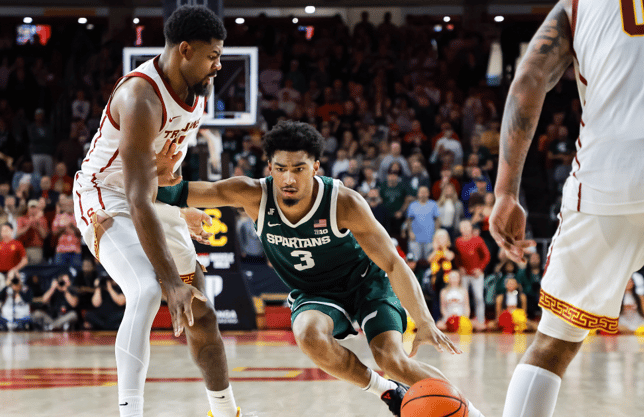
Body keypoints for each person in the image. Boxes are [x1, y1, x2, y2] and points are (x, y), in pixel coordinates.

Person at [155, 121, 485, 417]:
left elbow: (393, 263)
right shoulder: (252, 194)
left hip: (365, 284)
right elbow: (176, 193)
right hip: (315, 292)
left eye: (298, 169)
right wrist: (157, 178)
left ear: (315, 167)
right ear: (269, 167)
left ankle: (471, 412)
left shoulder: (344, 202)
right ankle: (385, 391)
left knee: (392, 359)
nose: (288, 178)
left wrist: (425, 321)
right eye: (280, 168)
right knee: (308, 334)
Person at [490, 2, 644, 416]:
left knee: (552, 346)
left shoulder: (575, 5)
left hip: (603, 184)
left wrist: (506, 192)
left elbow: (528, 78)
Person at [72, 6, 244, 417]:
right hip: (105, 198)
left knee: (199, 309)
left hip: (147, 200)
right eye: (212, 56)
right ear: (185, 50)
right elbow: (133, 195)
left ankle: (226, 411)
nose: (218, 66)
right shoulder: (140, 98)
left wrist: (178, 208)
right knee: (149, 291)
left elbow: (165, 172)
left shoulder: (196, 92)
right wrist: (170, 281)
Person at [455, 220, 490, 330]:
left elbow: (486, 255)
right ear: (460, 229)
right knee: (464, 297)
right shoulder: (458, 241)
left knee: (478, 297)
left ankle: (480, 320)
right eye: (463, 227)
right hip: (464, 274)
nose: (465, 229)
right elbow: (457, 257)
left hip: (476, 274)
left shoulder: (478, 240)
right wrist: (459, 267)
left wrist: (480, 269)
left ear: (471, 228)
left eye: (467, 227)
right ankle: (464, 320)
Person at [0, 223, 27, 299]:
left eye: (6, 230)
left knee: (8, 288)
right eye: (2, 230)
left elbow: (24, 260)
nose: (4, 232)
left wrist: (15, 269)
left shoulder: (17, 244)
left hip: (11, 273)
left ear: (12, 231)